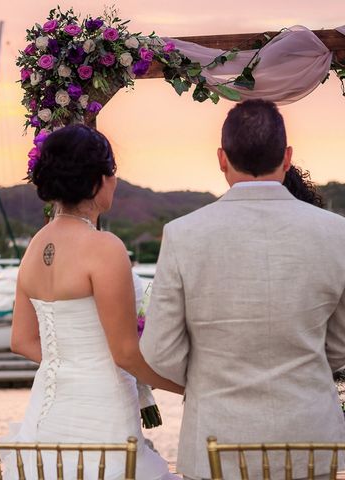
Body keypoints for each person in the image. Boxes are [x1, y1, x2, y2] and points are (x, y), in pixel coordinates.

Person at [140, 99, 345, 480]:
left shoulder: (183, 235)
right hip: (310, 439)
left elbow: (158, 349)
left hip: (217, 435)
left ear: (221, 158)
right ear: (286, 157)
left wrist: (210, 378)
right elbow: (341, 342)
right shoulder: (336, 233)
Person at [6, 124, 182, 479]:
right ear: (99, 181)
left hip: (46, 416)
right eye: (112, 174)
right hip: (102, 412)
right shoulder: (104, 248)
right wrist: (185, 386)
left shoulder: (34, 246)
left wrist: (71, 363)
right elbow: (125, 354)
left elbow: (21, 341)